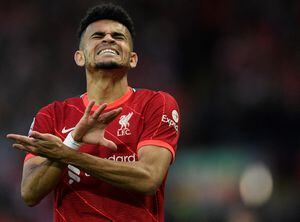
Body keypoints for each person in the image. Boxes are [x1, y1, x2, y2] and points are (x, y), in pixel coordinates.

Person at [7, 3, 180, 222]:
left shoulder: (156, 103)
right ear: (80, 57)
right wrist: (74, 140)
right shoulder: (53, 114)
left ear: (133, 59)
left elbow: (148, 178)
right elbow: (30, 193)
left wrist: (67, 154)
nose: (108, 39)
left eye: (118, 36)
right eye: (97, 36)